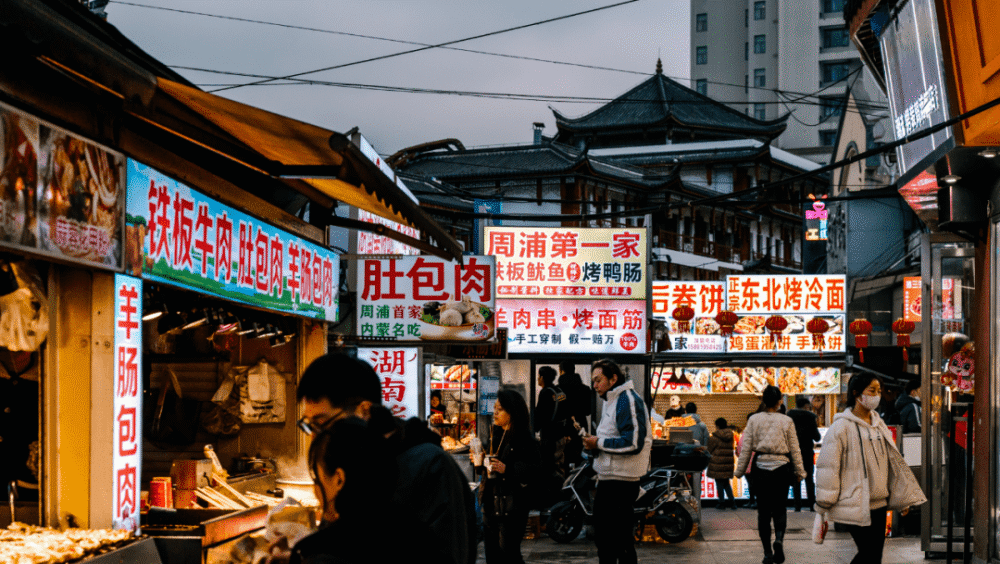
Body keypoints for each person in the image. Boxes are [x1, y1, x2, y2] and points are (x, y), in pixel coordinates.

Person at [296, 353, 476, 564]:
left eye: (322, 423)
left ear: (364, 411)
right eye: (310, 426)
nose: (315, 438)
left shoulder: (430, 466)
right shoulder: (348, 469)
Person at [814, 373, 926, 564]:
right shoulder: (840, 427)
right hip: (854, 503)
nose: (877, 395)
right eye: (872, 391)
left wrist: (902, 499)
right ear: (857, 394)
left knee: (874, 556)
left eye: (879, 391)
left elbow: (893, 463)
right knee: (868, 553)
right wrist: (824, 503)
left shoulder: (879, 425)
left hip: (880, 504)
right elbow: (828, 467)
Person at [288, 417, 425, 564]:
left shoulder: (328, 553)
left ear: (339, 479)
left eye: (317, 478)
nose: (315, 490)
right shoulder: (413, 530)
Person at [582, 358, 652, 564]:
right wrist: (594, 445)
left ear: (613, 379)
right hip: (610, 478)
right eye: (593, 381)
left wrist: (598, 443)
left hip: (621, 483)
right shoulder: (612, 401)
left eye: (598, 380)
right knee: (606, 541)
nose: (594, 386)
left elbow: (633, 443)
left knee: (618, 542)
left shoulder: (627, 399)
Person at [735, 386, 806, 564]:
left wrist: (739, 471)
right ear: (779, 401)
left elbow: (746, 449)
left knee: (764, 512)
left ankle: (767, 553)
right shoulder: (787, 421)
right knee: (780, 508)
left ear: (763, 400)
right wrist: (800, 471)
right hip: (782, 468)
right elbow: (795, 449)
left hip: (761, 469)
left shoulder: (754, 420)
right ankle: (779, 539)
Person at [470, 390, 540, 564]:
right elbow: (490, 470)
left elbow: (535, 471)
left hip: (511, 508)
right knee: (492, 557)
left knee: (509, 555)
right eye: (494, 408)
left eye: (500, 409)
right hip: (490, 504)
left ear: (512, 412)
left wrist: (507, 469)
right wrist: (479, 463)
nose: (495, 412)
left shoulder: (525, 440)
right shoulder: (495, 435)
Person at [534, 365, 570, 500]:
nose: (538, 379)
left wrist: (534, 430)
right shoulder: (559, 391)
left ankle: (554, 497)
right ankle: (563, 492)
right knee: (559, 465)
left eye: (539, 376)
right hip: (560, 435)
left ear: (542, 378)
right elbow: (566, 411)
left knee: (550, 467)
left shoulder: (545, 393)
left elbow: (539, 415)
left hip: (549, 437)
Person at [786, 396, 821, 512]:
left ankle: (797, 506)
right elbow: (817, 437)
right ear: (806, 406)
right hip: (807, 452)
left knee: (796, 478)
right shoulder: (810, 418)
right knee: (809, 479)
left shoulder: (789, 417)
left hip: (793, 452)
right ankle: (812, 505)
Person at [558, 361, 594, 467]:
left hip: (563, 428)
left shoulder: (558, 390)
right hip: (580, 425)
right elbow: (589, 411)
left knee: (563, 458)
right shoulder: (586, 389)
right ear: (574, 370)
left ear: (561, 371)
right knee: (580, 457)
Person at [707, 417, 736, 510]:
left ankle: (721, 502)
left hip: (717, 463)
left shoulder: (714, 437)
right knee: (726, 483)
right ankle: (732, 503)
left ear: (717, 426)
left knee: (719, 483)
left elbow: (709, 450)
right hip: (727, 462)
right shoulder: (731, 435)